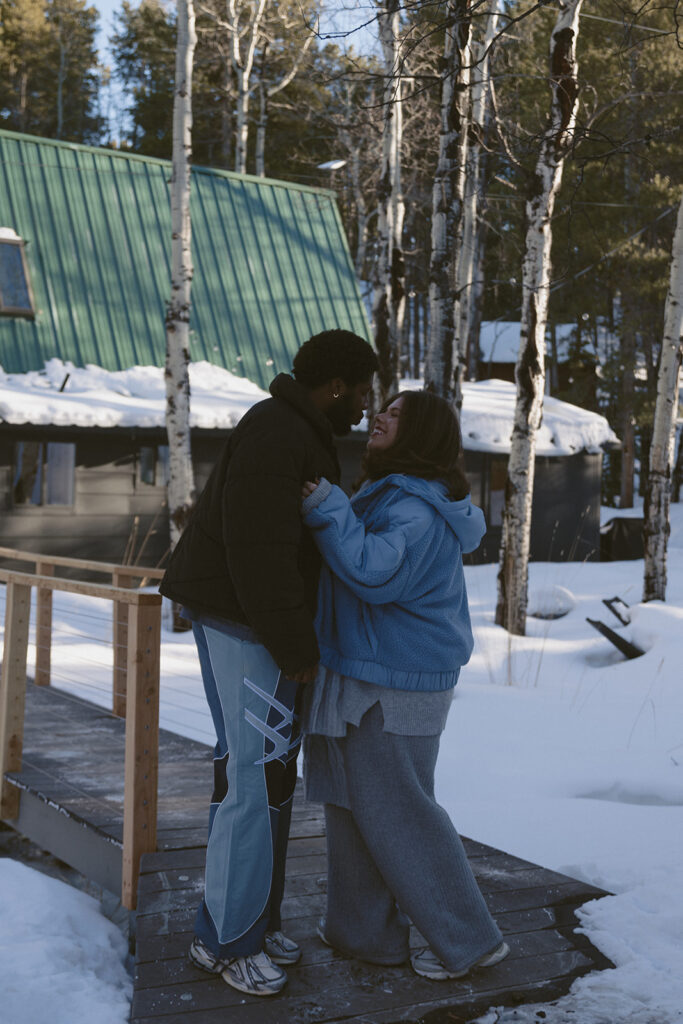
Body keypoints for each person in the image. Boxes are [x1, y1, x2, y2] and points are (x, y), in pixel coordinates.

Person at [159, 329, 378, 997]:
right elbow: (259, 555)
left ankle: (247, 920)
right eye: (362, 390)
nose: (366, 406)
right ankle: (225, 943)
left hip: (255, 628)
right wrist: (294, 646)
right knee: (252, 784)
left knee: (268, 779)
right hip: (244, 626)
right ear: (335, 385)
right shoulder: (279, 432)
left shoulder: (295, 429)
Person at [299, 389, 509, 981]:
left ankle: (469, 941)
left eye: (398, 414)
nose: (379, 417)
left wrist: (328, 506)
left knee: (399, 812)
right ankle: (363, 935)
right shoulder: (392, 495)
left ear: (421, 437)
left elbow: (373, 573)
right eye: (383, 407)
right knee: (352, 805)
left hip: (396, 684)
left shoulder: (416, 511)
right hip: (367, 672)